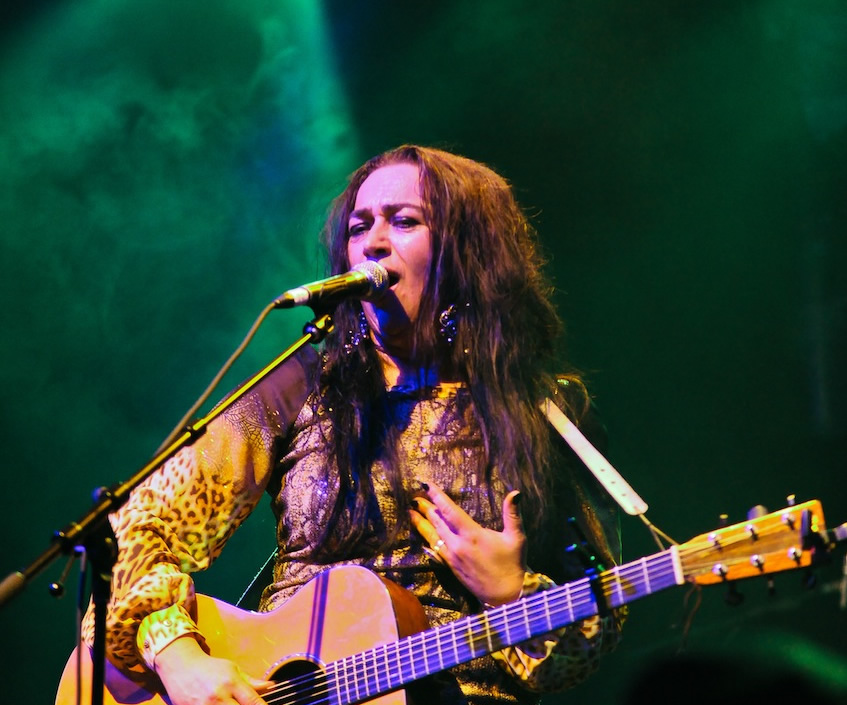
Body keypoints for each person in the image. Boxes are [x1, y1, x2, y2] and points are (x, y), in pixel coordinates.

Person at [82, 145, 625, 704]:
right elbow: (132, 529)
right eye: (359, 227)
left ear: (469, 253)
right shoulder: (302, 386)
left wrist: (511, 594)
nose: (373, 242)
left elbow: (598, 626)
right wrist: (180, 658)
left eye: (404, 221)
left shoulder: (545, 413)